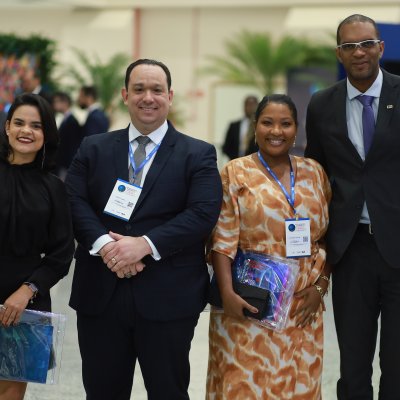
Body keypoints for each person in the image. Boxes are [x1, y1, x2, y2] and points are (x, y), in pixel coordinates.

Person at [65, 58, 223, 400]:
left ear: (170, 96)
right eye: (139, 89)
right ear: (125, 95)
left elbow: (203, 213)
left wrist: (144, 245)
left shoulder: (198, 154)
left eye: (156, 90)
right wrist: (108, 246)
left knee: (168, 391)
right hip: (100, 296)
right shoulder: (93, 148)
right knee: (102, 392)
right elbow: (74, 201)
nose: (147, 97)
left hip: (168, 295)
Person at [207, 94, 331, 399]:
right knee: (244, 386)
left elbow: (326, 236)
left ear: (296, 128)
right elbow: (221, 242)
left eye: (285, 124)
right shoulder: (235, 173)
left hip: (302, 309)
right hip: (249, 305)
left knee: (298, 386)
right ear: (255, 126)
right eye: (268, 122)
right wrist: (227, 295)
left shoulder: (314, 172)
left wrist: (320, 288)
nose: (277, 131)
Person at [305, 14, 400, 399]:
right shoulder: (321, 104)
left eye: (365, 44)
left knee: (396, 362)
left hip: (398, 247)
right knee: (353, 362)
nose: (358, 52)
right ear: (339, 54)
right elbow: (316, 174)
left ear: (380, 47)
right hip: (351, 250)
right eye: (349, 46)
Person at [0, 93, 75, 399]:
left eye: (36, 125)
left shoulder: (54, 188)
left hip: (25, 303)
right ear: (7, 127)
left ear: (46, 134)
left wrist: (27, 290)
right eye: (18, 123)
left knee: (10, 389)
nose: (25, 131)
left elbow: (61, 252)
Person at [52, 91, 82, 180]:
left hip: (66, 165)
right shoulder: (65, 119)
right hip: (62, 164)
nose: (54, 104)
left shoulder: (72, 121)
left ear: (64, 102)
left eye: (56, 101)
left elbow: (71, 146)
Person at [222, 95, 258, 160]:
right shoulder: (234, 125)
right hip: (235, 162)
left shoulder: (259, 126)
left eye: (252, 105)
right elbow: (226, 147)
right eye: (248, 105)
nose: (250, 108)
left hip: (254, 164)